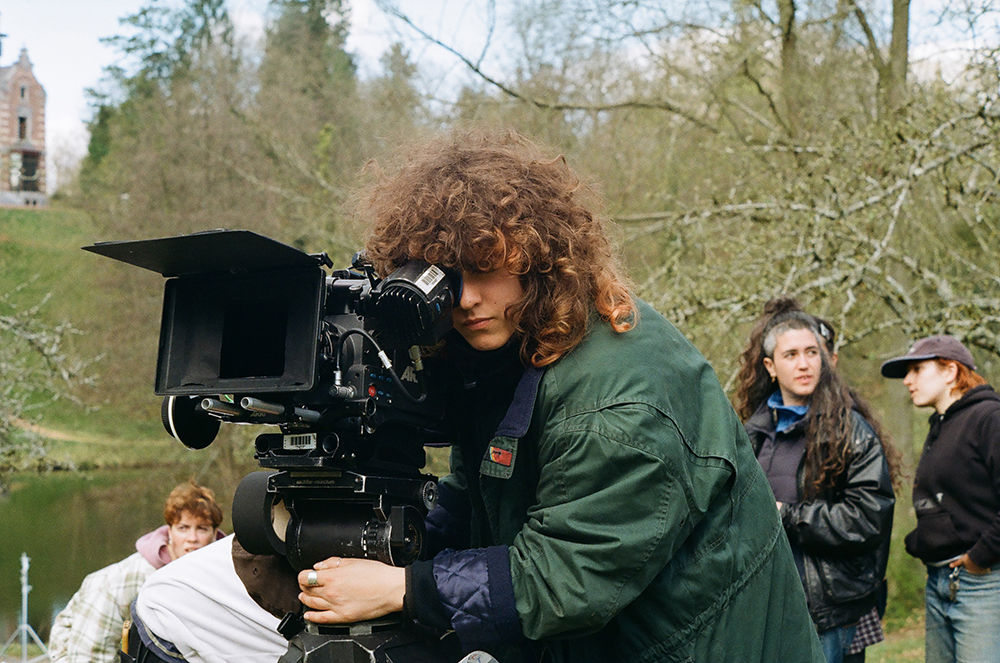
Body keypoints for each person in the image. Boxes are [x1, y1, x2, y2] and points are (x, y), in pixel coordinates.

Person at [134, 128, 824, 662]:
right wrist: (359, 543)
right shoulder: (511, 357)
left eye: (484, 268)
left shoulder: (617, 399)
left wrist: (401, 588)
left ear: (539, 256)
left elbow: (565, 578)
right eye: (443, 276)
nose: (463, 299)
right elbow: (470, 505)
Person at [736, 297, 897, 663]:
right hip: (766, 606)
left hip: (829, 610)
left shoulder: (850, 431)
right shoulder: (751, 435)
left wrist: (786, 514)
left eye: (812, 352)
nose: (804, 363)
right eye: (791, 355)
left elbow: (867, 518)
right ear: (770, 366)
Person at [881, 334, 1000, 663]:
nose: (907, 381)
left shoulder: (989, 418)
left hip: (983, 584)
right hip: (939, 583)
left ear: (950, 371)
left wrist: (980, 557)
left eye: (917, 369)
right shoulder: (941, 425)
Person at [47, 481, 224, 663]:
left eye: (202, 528)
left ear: (215, 534)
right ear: (169, 531)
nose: (192, 538)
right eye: (183, 528)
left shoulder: (223, 575)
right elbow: (91, 653)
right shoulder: (127, 580)